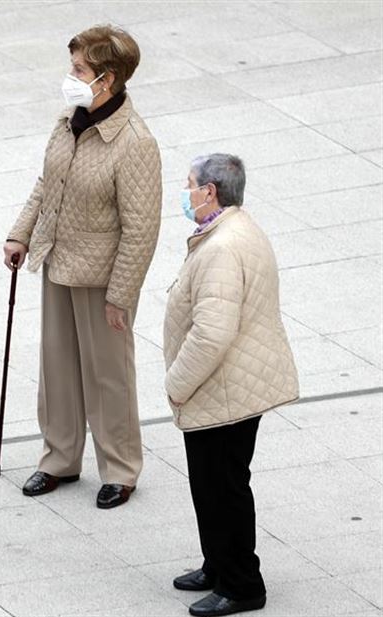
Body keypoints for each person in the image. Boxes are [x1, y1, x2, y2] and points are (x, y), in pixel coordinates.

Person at [3, 24, 162, 508]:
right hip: (57, 262)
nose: (70, 77)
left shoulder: (134, 142)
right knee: (58, 366)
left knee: (108, 374)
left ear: (107, 79)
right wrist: (20, 234)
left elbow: (141, 228)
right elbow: (46, 182)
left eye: (79, 69)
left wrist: (121, 295)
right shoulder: (69, 120)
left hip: (101, 277)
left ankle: (120, 468)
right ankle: (59, 458)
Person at [164, 154, 299, 616]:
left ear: (210, 193)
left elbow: (212, 333)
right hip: (230, 383)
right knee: (213, 482)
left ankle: (241, 584)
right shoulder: (235, 229)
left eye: (189, 184)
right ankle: (218, 563)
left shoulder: (223, 247)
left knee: (222, 485)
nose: (184, 192)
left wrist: (177, 384)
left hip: (222, 387)